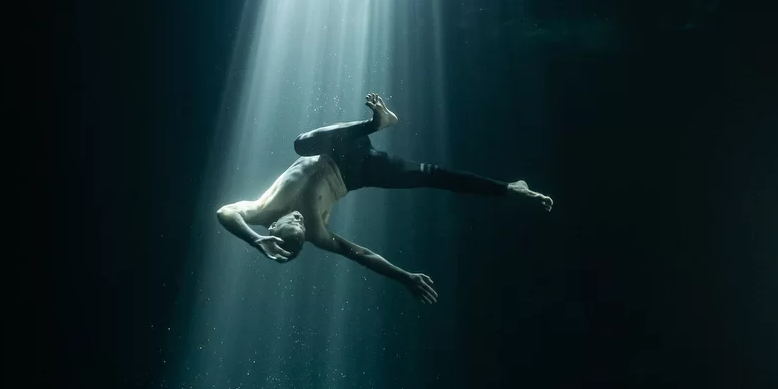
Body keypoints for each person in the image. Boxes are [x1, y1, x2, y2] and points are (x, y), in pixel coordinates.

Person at [216, 94, 553, 306]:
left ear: (274, 225)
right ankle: (510, 189)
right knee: (432, 177)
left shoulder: (261, 212)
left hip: (339, 146)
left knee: (301, 144)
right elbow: (362, 255)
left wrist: (256, 240)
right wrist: (404, 277)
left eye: (294, 224)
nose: (302, 221)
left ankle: (376, 123)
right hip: (358, 173)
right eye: (303, 228)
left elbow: (225, 212)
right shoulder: (318, 234)